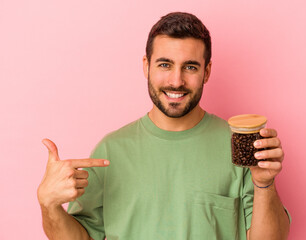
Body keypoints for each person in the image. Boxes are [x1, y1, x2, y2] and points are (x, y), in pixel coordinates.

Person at [37, 12, 291, 240]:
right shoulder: (110, 150)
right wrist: (48, 205)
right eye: (165, 65)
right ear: (146, 66)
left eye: (190, 67)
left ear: (207, 71)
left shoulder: (238, 146)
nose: (176, 81)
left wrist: (264, 183)